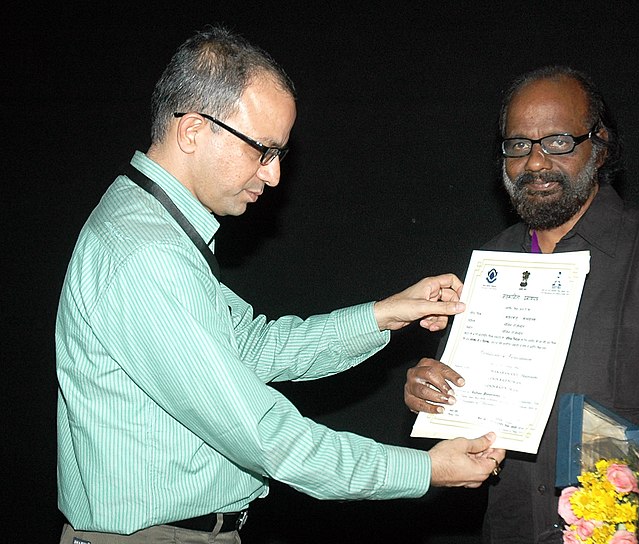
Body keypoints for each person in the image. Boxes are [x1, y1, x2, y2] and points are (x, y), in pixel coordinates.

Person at [55, 25, 505, 544]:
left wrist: (386, 313)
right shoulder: (144, 253)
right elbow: (267, 437)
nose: (272, 177)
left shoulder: (152, 230)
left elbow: (252, 348)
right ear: (194, 131)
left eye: (279, 156)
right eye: (262, 151)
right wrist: (424, 471)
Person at [404, 65, 639, 543]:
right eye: (518, 145)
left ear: (599, 148)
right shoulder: (492, 267)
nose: (535, 162)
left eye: (558, 141)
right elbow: (474, 409)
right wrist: (433, 395)